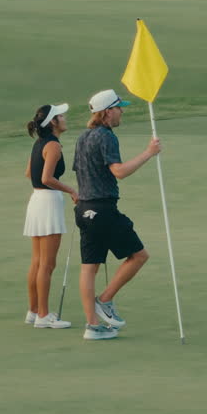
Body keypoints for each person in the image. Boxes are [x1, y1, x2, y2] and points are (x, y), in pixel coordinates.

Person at [72, 89, 161, 341]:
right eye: (119, 108)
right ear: (107, 112)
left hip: (84, 209)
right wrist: (149, 152)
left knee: (89, 268)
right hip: (103, 210)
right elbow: (119, 171)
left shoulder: (82, 137)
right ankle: (105, 300)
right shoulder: (106, 136)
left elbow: (81, 172)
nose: (121, 112)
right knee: (139, 255)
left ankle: (92, 326)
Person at [23, 103, 78, 329]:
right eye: (60, 116)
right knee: (47, 264)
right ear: (53, 123)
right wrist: (72, 190)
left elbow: (29, 173)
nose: (64, 118)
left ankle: (34, 311)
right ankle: (43, 316)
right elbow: (47, 178)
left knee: (37, 262)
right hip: (48, 202)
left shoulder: (39, 143)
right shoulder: (53, 145)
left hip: (36, 200)